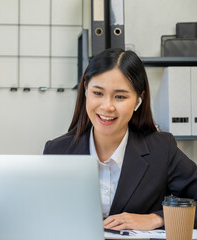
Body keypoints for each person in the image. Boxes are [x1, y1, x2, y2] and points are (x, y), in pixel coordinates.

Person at [43, 48, 197, 231]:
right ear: (85, 90)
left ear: (138, 100)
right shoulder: (57, 151)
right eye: (98, 93)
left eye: (120, 97)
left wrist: (157, 218)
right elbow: (40, 216)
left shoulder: (162, 150)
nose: (107, 106)